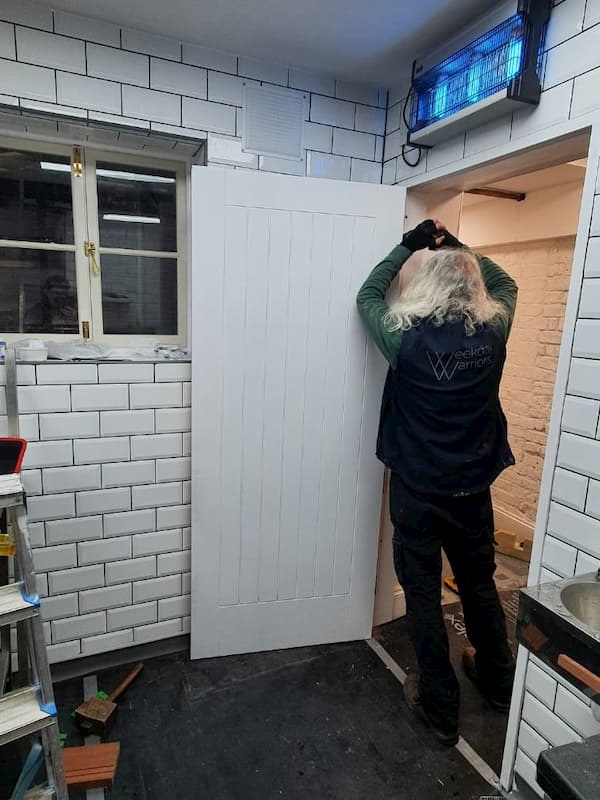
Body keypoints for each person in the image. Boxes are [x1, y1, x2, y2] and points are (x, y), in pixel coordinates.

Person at [356, 219, 517, 747]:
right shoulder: (494, 334)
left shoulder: (403, 340)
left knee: (423, 594)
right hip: (473, 491)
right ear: (475, 287)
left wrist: (414, 244)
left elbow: (369, 294)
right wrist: (460, 249)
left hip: (419, 492)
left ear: (425, 288)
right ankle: (498, 683)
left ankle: (441, 706)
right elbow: (507, 284)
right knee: (477, 584)